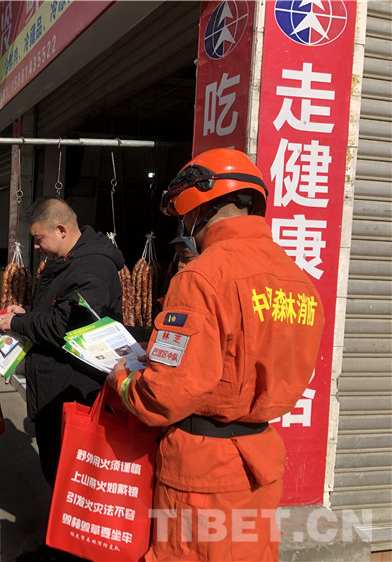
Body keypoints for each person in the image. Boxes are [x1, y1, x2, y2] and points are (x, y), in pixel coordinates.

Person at [106, 148, 325, 561]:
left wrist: (122, 380)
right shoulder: (299, 281)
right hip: (260, 465)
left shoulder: (201, 277)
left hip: (202, 474)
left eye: (183, 216)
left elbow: (164, 395)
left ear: (195, 208)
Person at [0, 197, 125, 487]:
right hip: (55, 388)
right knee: (55, 468)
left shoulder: (92, 268)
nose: (36, 246)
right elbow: (59, 310)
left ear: (61, 230)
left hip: (74, 389)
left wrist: (17, 324)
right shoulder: (67, 262)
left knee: (68, 475)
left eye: (38, 239)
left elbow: (64, 328)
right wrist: (27, 312)